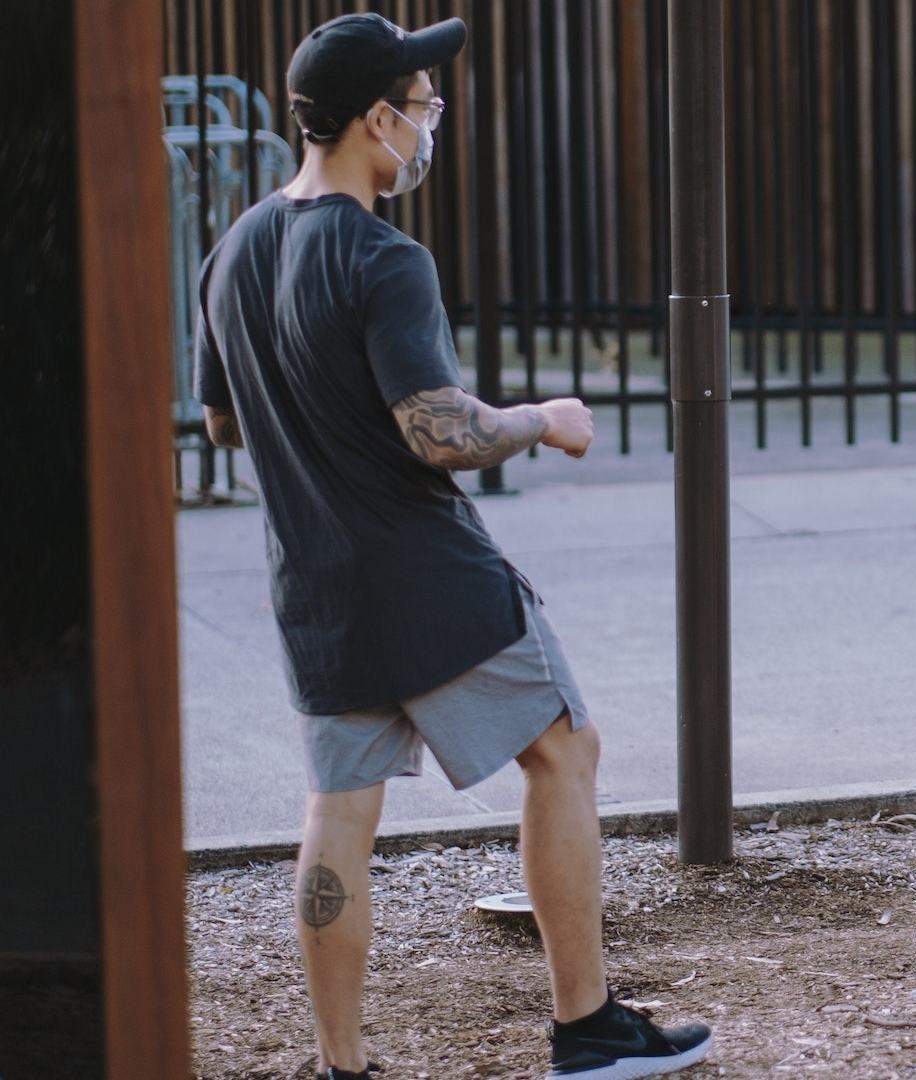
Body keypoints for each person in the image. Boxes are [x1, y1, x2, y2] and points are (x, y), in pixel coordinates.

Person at [192, 14, 712, 1077]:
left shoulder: (234, 249)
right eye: (423, 106)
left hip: (316, 587)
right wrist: (542, 419)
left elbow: (223, 423)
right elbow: (437, 432)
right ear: (376, 119)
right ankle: (587, 1029)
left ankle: (340, 1065)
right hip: (430, 579)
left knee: (338, 810)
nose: (431, 124)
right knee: (564, 750)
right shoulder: (385, 257)